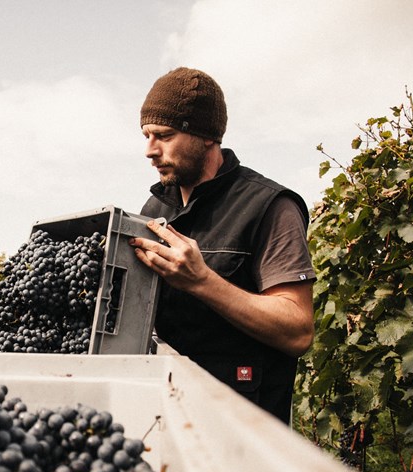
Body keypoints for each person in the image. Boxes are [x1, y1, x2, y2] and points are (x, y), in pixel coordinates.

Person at [128, 67, 315, 425]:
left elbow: (298, 330)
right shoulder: (154, 210)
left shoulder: (270, 206)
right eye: (147, 136)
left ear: (207, 136)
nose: (150, 150)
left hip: (243, 426)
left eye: (164, 135)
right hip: (168, 414)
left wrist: (203, 281)